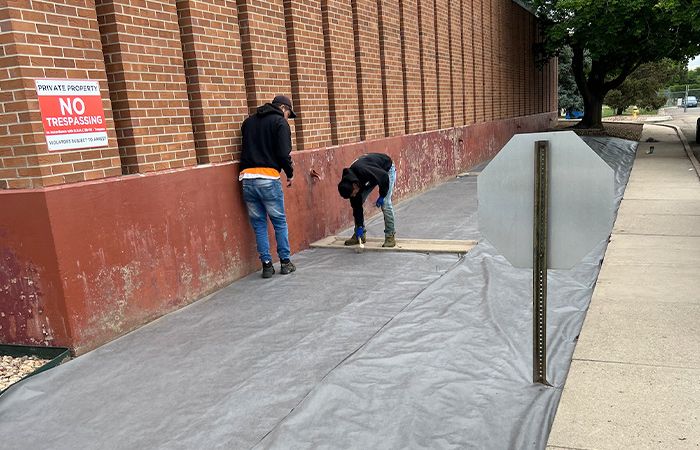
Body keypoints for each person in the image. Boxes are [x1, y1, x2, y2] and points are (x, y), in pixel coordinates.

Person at [239, 95, 297, 278]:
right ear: (283, 108)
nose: (287, 117)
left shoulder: (248, 123)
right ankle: (285, 262)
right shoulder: (280, 123)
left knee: (259, 224)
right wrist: (290, 173)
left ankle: (266, 265)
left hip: (247, 178)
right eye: (288, 113)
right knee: (279, 221)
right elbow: (283, 153)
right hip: (268, 178)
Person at [337, 153, 397, 248]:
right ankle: (360, 235)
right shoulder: (350, 185)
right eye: (352, 195)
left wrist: (382, 195)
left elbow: (384, 176)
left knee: (385, 203)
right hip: (370, 176)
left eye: (354, 193)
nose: (354, 195)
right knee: (357, 202)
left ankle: (390, 236)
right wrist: (360, 226)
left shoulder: (363, 170)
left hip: (386, 170)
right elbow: (357, 207)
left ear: (354, 186)